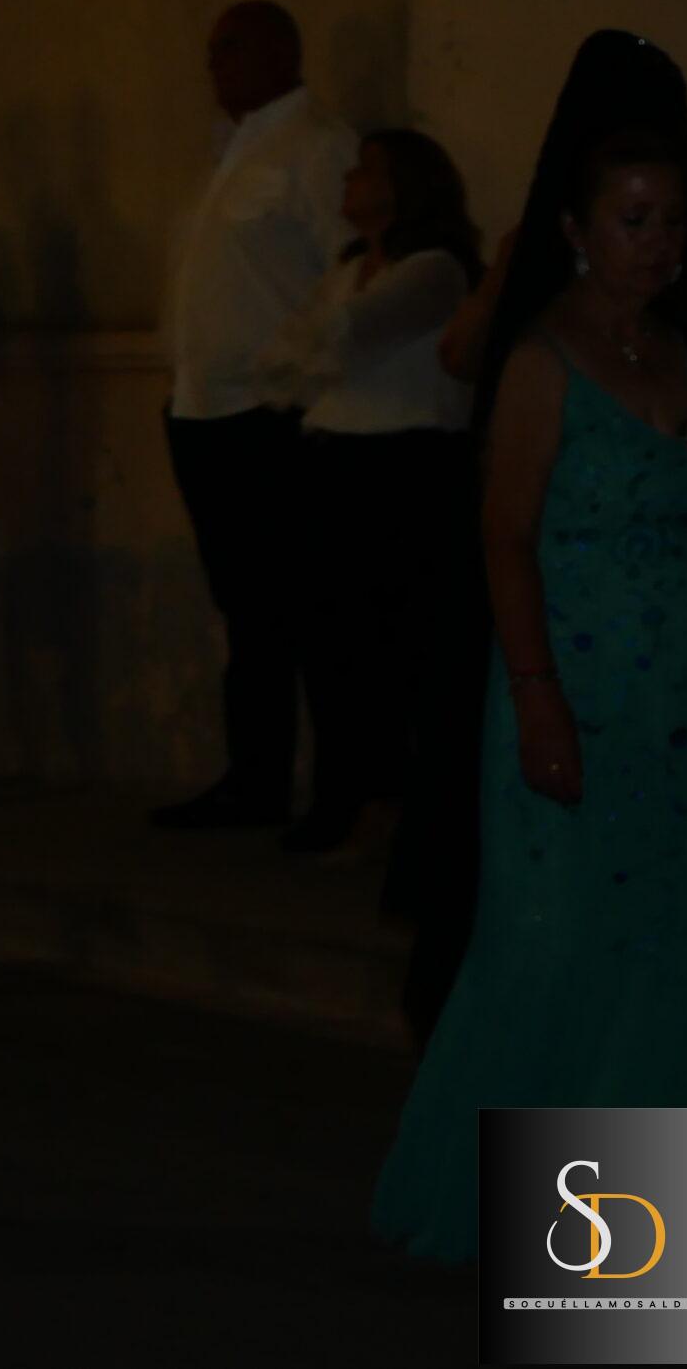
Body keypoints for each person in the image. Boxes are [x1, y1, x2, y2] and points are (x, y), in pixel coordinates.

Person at [371, 32, 687, 1263]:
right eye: (634, 219)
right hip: (575, 689)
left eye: (672, 220)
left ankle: (652, 1249)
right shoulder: (543, 358)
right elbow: (503, 537)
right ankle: (577, 1250)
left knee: (677, 948)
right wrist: (536, 697)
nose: (659, 242)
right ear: (576, 230)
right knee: (561, 947)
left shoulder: (684, 355)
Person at [154, 0, 358, 830]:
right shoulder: (227, 152)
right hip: (203, 411)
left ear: (282, 50)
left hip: (272, 415)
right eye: (211, 51)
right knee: (246, 611)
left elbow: (346, 276)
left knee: (313, 610)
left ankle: (341, 793)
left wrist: (301, 380)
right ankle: (256, 780)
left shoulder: (318, 146)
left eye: (231, 48)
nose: (216, 65)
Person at [259, 131, 483, 855]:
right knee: (332, 644)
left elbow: (346, 334)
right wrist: (312, 345)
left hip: (406, 468)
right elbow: (285, 354)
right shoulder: (349, 268)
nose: (349, 178)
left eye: (366, 169)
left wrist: (314, 344)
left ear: (405, 185)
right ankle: (345, 798)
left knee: (406, 645)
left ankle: (415, 809)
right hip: (334, 460)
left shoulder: (435, 270)